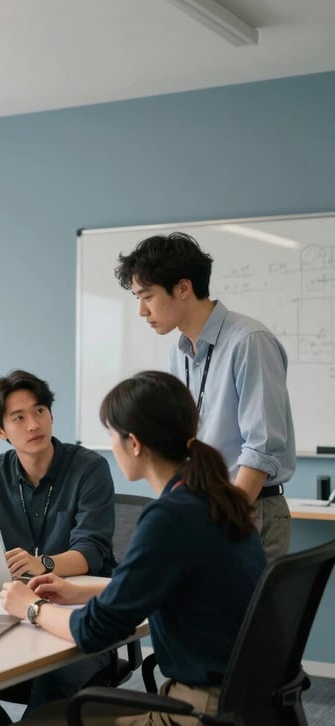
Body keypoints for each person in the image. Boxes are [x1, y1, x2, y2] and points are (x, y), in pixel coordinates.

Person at [0, 370, 267, 726]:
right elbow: (175, 588)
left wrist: (32, 608)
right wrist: (81, 592)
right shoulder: (216, 501)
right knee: (48, 720)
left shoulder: (169, 517)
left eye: (112, 435)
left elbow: (94, 632)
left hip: (194, 722)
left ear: (134, 443)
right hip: (244, 708)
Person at [0, 369, 116, 726]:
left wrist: (41, 563)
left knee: (52, 681)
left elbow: (91, 553)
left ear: (51, 415)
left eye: (39, 411)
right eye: (19, 418)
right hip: (16, 614)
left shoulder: (88, 468)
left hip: (77, 618)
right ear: (0, 431)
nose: (33, 424)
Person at [115, 232, 295, 561]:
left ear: (183, 288)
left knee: (246, 614)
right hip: (206, 509)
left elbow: (263, 447)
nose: (141, 311)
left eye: (148, 296)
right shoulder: (178, 353)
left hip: (248, 508)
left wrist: (227, 522)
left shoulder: (249, 341)